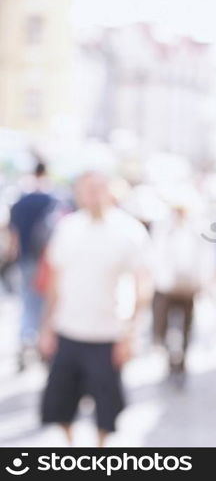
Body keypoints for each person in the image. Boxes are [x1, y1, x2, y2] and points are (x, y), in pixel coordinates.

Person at [37, 171, 152, 446]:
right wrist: (47, 326)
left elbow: (142, 284)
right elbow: (55, 279)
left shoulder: (129, 230)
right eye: (87, 189)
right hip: (69, 329)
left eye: (99, 188)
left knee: (107, 407)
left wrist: (131, 333)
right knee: (60, 402)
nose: (93, 195)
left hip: (108, 333)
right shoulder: (68, 227)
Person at [150, 198, 216, 382]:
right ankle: (170, 356)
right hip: (167, 287)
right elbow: (156, 256)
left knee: (187, 325)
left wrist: (203, 281)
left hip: (188, 287)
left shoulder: (196, 230)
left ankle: (182, 358)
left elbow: (205, 257)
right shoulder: (164, 231)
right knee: (163, 325)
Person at [8, 161, 60, 371]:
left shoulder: (21, 200)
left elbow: (12, 234)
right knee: (46, 302)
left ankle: (26, 338)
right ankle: (42, 341)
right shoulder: (53, 200)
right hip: (47, 260)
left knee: (28, 300)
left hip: (26, 258)